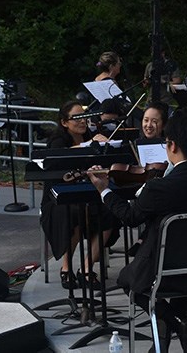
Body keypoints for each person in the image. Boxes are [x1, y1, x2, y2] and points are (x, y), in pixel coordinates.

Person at [87, 109, 187, 353]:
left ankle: (170, 320)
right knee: (185, 282)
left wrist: (104, 190)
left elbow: (131, 217)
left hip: (165, 272)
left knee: (127, 279)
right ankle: (174, 322)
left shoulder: (161, 187)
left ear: (172, 145)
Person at [40, 101, 112, 290]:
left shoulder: (89, 136)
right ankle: (66, 268)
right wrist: (88, 147)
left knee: (110, 215)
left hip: (89, 195)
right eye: (77, 117)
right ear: (64, 122)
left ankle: (87, 269)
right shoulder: (58, 141)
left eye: (84, 117)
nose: (83, 121)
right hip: (58, 200)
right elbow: (58, 159)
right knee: (74, 215)